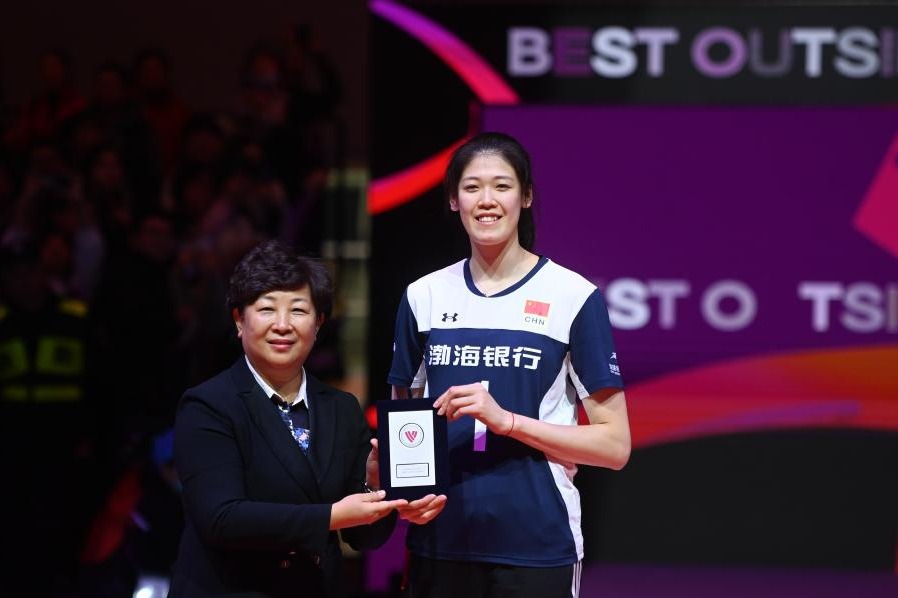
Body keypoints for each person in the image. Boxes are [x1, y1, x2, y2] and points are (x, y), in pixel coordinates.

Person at [388, 132, 632, 598]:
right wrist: (407, 495)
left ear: (526, 197)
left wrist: (509, 422)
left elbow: (614, 445)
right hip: (439, 543)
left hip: (537, 544)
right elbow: (406, 423)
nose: (487, 200)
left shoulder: (572, 296)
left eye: (502, 186)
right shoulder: (423, 296)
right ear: (454, 200)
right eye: (472, 187)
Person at [171, 239, 406, 598]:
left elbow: (364, 537)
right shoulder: (208, 405)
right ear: (239, 320)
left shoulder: (342, 408)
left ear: (318, 323)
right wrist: (331, 517)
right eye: (267, 309)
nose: (282, 325)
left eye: (298, 310)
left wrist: (374, 487)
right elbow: (222, 519)